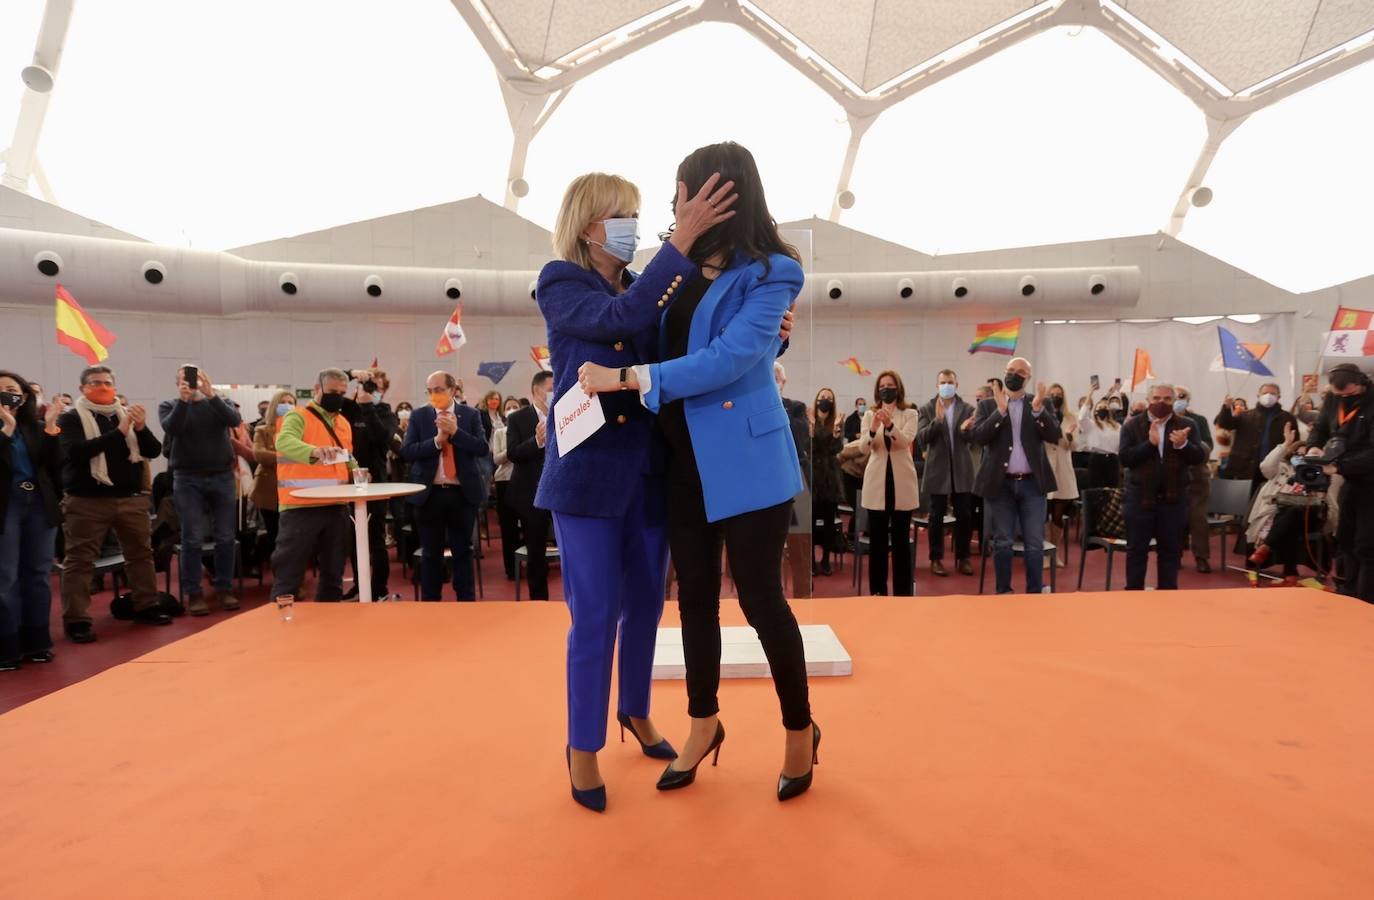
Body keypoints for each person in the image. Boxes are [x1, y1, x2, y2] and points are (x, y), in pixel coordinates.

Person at [577, 141, 818, 803]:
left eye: (681, 190)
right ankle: (702, 721)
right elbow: (649, 335)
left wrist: (628, 378)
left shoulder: (775, 271)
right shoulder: (671, 266)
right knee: (696, 604)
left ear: (716, 193)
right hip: (677, 458)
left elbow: (730, 358)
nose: (673, 204)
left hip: (747, 459)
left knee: (763, 601)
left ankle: (800, 731)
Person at [534, 168, 729, 812]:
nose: (632, 229)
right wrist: (683, 242)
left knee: (645, 606)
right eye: (622, 217)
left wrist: (763, 326)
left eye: (638, 216)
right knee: (592, 616)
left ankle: (636, 711)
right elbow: (623, 316)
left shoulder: (651, 285)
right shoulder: (562, 281)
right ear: (590, 226)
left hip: (648, 473)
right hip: (587, 476)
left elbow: (675, 342)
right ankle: (581, 745)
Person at [58, 366, 170, 641]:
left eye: (108, 382)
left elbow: (153, 451)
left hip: (130, 500)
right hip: (87, 501)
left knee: (141, 554)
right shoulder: (71, 417)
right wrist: (119, 432)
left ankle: (147, 606)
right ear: (83, 388)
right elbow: (75, 452)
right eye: (96, 382)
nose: (103, 386)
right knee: (80, 561)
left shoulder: (126, 414)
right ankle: (77, 620)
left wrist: (140, 428)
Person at [158, 365, 243, 615]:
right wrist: (184, 402)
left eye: (196, 378)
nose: (192, 383)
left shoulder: (219, 402)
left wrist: (212, 394)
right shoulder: (170, 405)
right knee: (191, 538)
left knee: (226, 536)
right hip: (187, 478)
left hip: (222, 476)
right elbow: (172, 428)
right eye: (186, 380)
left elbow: (234, 420)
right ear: (178, 383)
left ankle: (224, 588)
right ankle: (194, 593)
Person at [972, 357, 1061, 595]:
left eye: (1020, 372)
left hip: (1032, 484)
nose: (1014, 375)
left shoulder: (1041, 403)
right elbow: (978, 437)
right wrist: (1000, 412)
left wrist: (1039, 410)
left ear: (1028, 378)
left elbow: (1054, 434)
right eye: (1011, 370)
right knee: (1002, 542)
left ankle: (1034, 592)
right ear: (1004, 373)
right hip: (1000, 486)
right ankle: (1004, 592)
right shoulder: (988, 405)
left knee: (1034, 542)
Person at [400, 372, 490, 601]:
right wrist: (436, 442)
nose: (434, 395)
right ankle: (431, 602)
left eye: (438, 389)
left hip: (461, 493)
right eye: (429, 390)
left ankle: (466, 601)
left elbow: (481, 448)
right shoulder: (420, 416)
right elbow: (407, 451)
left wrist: (456, 433)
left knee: (463, 550)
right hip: (430, 494)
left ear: (452, 390)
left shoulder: (470, 414)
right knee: (431, 553)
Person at [269, 369, 355, 605]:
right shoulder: (297, 416)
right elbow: (284, 442)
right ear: (316, 389)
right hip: (300, 506)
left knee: (333, 576)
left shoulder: (343, 423)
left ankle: (329, 627)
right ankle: (277, 628)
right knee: (289, 576)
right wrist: (314, 451)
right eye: (331, 392)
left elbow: (346, 456)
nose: (337, 397)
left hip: (337, 506)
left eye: (342, 393)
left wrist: (356, 469)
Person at [0, 374, 65, 669]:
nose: (6, 395)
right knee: (5, 577)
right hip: (6, 506)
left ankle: (37, 641)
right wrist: (5, 431)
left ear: (24, 397)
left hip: (38, 503)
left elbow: (55, 465)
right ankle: (7, 645)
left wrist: (51, 427)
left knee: (38, 574)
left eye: (11, 390)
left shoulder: (36, 428)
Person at [1118, 384, 1207, 590]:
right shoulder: (1132, 425)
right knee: (1136, 552)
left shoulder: (1188, 425)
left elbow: (1198, 458)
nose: (1161, 403)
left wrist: (1183, 445)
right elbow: (1125, 459)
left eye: (1167, 399)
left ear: (1174, 401)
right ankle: (1133, 596)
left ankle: (1168, 599)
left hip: (1173, 501)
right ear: (1149, 399)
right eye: (1156, 398)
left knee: (1170, 552)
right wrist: (1149, 445)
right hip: (1139, 499)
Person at [1305, 363, 1373, 603]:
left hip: (1369, 480)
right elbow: (1321, 427)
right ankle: (1346, 592)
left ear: (1361, 384)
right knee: (1344, 538)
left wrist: (1338, 467)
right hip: (1350, 482)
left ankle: (1366, 600)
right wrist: (1313, 445)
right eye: (1339, 395)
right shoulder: (1334, 399)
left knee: (1367, 543)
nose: (1344, 399)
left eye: (1349, 394)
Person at [1245, 421, 1333, 585]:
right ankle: (1290, 575)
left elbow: (1328, 502)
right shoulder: (1281, 470)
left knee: (1292, 513)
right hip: (1281, 515)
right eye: (1296, 455)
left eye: (1303, 455)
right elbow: (1265, 466)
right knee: (1290, 523)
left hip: (1311, 516)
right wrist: (1285, 444)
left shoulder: (1317, 473)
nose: (1300, 458)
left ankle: (1266, 547)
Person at [340, 369, 400, 600]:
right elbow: (328, 382)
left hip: (375, 482)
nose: (369, 391)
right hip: (347, 481)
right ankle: (359, 583)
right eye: (366, 386)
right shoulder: (346, 409)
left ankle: (378, 588)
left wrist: (368, 407)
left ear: (382, 392)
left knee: (374, 538)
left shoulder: (385, 413)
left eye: (376, 388)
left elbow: (382, 437)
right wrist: (352, 373)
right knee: (354, 539)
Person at [859, 371, 919, 595]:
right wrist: (874, 427)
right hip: (877, 483)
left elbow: (905, 442)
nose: (886, 389)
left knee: (902, 542)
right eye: (882, 385)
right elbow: (864, 448)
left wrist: (890, 424)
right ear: (878, 390)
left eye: (890, 385)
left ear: (898, 388)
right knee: (878, 543)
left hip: (902, 482)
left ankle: (903, 593)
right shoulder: (868, 415)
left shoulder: (910, 413)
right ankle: (878, 593)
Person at [916, 369, 974, 577]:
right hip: (937, 470)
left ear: (957, 385)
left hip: (961, 468)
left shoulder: (968, 408)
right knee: (936, 515)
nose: (946, 385)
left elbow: (973, 438)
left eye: (950, 382)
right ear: (937, 385)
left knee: (964, 515)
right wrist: (937, 421)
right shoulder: (927, 408)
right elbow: (922, 437)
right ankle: (936, 559)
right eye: (943, 382)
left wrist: (967, 430)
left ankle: (963, 557)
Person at [505, 373, 552, 599]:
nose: (554, 393)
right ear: (536, 391)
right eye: (550, 389)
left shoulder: (567, 413)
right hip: (531, 494)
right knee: (536, 552)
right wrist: (537, 442)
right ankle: (539, 601)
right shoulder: (517, 418)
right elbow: (513, 453)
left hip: (562, 492)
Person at [1215, 384, 1297, 492]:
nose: (1268, 396)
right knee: (1242, 502)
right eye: (1265, 393)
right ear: (1258, 395)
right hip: (1245, 468)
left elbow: (1295, 443)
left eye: (1272, 393)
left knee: (1267, 502)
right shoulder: (1245, 415)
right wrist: (1226, 408)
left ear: (1278, 397)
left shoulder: (1287, 417)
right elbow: (1226, 424)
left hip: (1274, 467)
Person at [1173, 385, 1216, 573]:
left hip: (1196, 475)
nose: (1178, 400)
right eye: (1175, 397)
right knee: (1175, 517)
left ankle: (1201, 557)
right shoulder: (1165, 421)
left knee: (1198, 518)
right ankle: (1175, 555)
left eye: (1182, 396)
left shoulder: (1198, 420)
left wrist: (1189, 445)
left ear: (1188, 399)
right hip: (1173, 476)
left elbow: (1207, 446)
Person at [250, 390, 294, 570]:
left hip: (293, 489)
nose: (287, 405)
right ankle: (281, 575)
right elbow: (259, 455)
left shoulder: (298, 429)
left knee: (292, 536)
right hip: (268, 491)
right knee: (276, 535)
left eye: (291, 402)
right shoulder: (261, 429)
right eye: (283, 402)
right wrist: (287, 457)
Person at [1043, 382, 1079, 568]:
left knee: (1057, 515)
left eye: (1059, 394)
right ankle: (1043, 554)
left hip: (1063, 468)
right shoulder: (1041, 415)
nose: (1055, 397)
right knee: (1043, 515)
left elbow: (1074, 446)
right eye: (1052, 394)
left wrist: (1070, 437)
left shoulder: (1070, 417)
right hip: (1045, 466)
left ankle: (1054, 551)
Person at [810, 387, 844, 576]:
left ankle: (825, 560)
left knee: (830, 523)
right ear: (816, 400)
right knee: (813, 522)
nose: (825, 400)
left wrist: (837, 434)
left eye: (828, 398)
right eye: (822, 397)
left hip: (830, 477)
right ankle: (812, 561)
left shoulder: (837, 421)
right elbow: (809, 448)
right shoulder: (810, 421)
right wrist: (812, 432)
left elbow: (836, 449)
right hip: (815, 477)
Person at [490, 396, 523, 580]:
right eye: (509, 407)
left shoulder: (526, 429)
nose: (512, 409)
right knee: (508, 528)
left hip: (523, 481)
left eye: (515, 406)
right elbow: (497, 459)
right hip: (504, 480)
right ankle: (510, 568)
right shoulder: (500, 433)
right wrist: (514, 450)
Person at [1077, 383, 1122, 489]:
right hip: (1097, 458)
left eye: (1105, 407)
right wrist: (1090, 394)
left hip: (1113, 459)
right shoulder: (1090, 424)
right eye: (1100, 407)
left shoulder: (1117, 426)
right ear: (1095, 411)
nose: (1103, 409)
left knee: (1112, 488)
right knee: (1095, 489)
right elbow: (1082, 416)